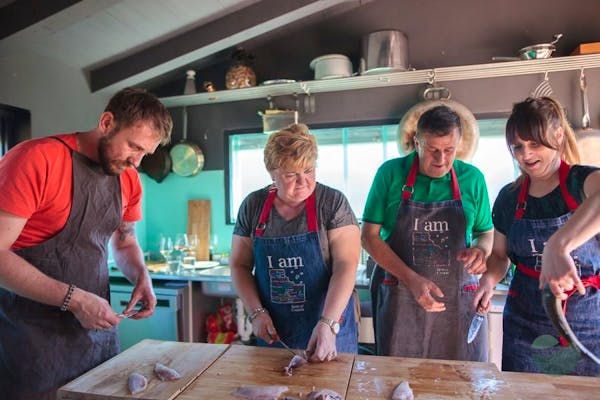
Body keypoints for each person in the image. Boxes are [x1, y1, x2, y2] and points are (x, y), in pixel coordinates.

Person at [0, 87, 173, 398]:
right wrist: (74, 300)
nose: (136, 161)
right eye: (132, 146)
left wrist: (141, 276)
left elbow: (124, 240)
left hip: (95, 336)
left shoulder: (128, 178)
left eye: (145, 153)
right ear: (106, 122)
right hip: (28, 340)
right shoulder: (36, 159)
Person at [474, 96, 600, 376]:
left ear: (557, 135)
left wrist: (558, 245)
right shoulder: (508, 198)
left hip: (589, 322)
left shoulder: (583, 182)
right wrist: (489, 280)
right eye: (517, 147)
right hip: (525, 323)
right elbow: (498, 256)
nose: (525, 155)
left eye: (534, 144)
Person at [362, 105, 494, 361]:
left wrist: (481, 250)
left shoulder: (473, 179)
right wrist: (412, 279)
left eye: (449, 150)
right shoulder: (390, 174)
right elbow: (368, 237)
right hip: (401, 298)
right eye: (433, 149)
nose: (441, 159)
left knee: (461, 379)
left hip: (457, 302)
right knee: (399, 379)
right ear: (416, 142)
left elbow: (485, 233)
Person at [230, 123, 360, 362]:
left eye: (309, 170)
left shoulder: (332, 202)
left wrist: (328, 324)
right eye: (291, 174)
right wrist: (256, 313)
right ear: (272, 172)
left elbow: (346, 264)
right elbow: (239, 265)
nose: (303, 182)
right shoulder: (253, 205)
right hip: (276, 332)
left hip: (329, 326)